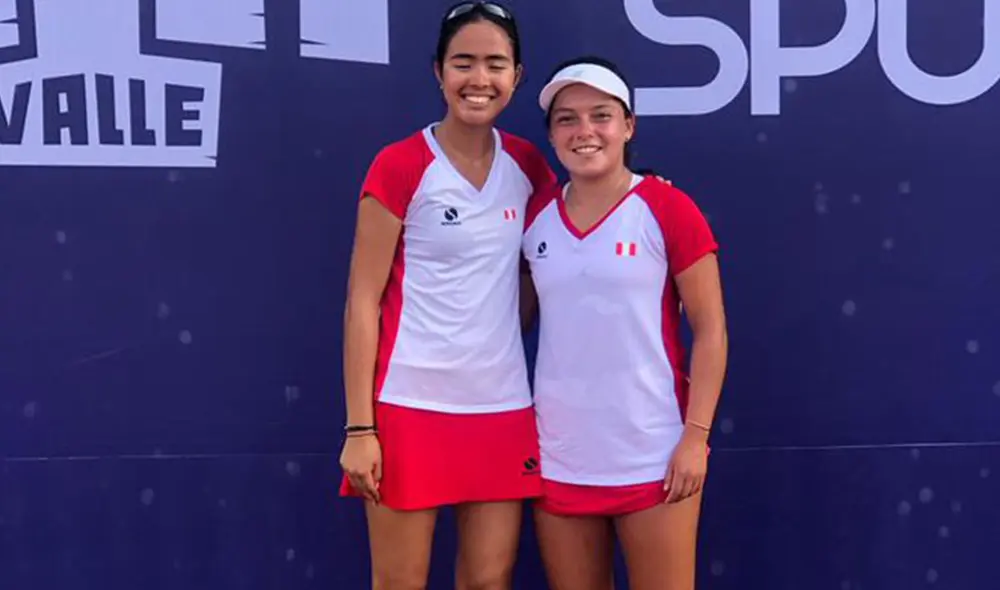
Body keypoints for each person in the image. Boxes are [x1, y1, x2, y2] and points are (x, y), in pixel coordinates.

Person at [337, 3, 559, 589]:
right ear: (439, 72)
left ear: (517, 75)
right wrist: (361, 430)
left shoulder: (531, 167)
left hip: (502, 408)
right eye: (463, 63)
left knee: (489, 581)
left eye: (495, 64)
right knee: (400, 582)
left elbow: (561, 253)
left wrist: (647, 198)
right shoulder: (400, 165)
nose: (478, 79)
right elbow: (362, 299)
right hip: (409, 407)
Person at [520, 56, 729, 590]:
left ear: (628, 126)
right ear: (551, 134)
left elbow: (711, 331)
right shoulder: (534, 215)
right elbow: (507, 317)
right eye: (567, 119)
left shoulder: (668, 207)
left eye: (601, 115)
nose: (584, 131)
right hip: (560, 457)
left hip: (654, 456)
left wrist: (694, 439)